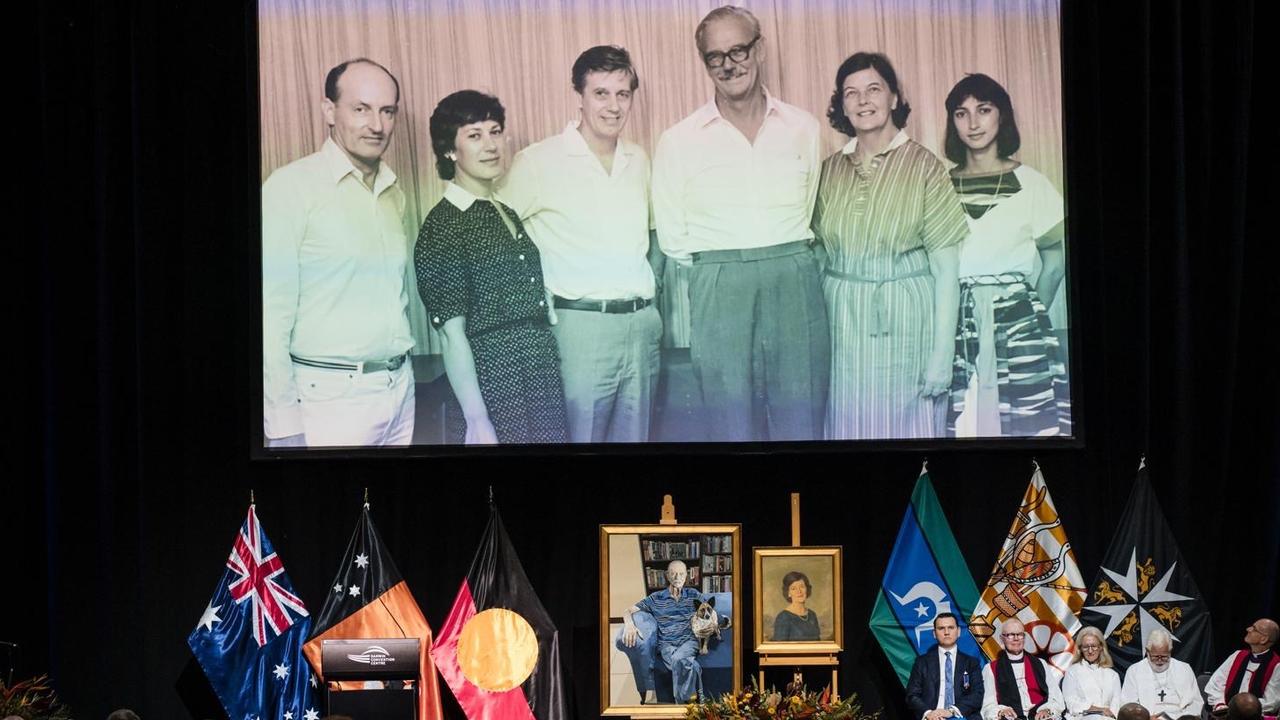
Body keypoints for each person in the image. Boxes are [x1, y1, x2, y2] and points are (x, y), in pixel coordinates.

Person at [652, 5, 829, 442]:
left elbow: (811, 209)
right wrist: (725, 270)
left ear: (760, 49)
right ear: (705, 64)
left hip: (793, 276)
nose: (729, 64)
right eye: (716, 57)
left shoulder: (802, 127)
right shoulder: (679, 139)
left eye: (739, 50)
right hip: (718, 281)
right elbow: (673, 234)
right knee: (730, 426)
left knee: (801, 419)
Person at [500, 45, 662, 443]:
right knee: (579, 452)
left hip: (642, 326)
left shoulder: (639, 159)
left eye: (622, 94)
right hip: (579, 328)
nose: (613, 106)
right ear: (580, 97)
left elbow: (654, 236)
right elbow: (495, 236)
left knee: (636, 453)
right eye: (601, 93)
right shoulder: (538, 161)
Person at [812, 52, 968, 439]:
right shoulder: (828, 170)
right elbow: (817, 254)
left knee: (905, 433)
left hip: (907, 323)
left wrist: (941, 357)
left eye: (874, 89)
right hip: (842, 326)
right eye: (851, 93)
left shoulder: (925, 166)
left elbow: (947, 270)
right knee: (849, 428)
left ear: (894, 98)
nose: (863, 100)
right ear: (842, 106)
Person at [262, 58, 417, 447]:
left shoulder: (393, 193)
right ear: (329, 111)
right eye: (361, 109)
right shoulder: (289, 189)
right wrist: (283, 424)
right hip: (328, 402)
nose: (377, 125)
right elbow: (268, 319)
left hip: (400, 391)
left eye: (387, 111)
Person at [414, 90, 568, 444]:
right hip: (494, 381)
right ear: (450, 150)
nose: (491, 145)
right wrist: (477, 419)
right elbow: (452, 336)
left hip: (537, 371)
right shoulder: (444, 226)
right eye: (474, 135)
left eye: (495, 131)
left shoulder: (504, 210)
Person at [941, 73, 1069, 437]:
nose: (973, 123)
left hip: (1018, 321)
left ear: (1002, 116)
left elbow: (1055, 263)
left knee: (1022, 421)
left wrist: (1025, 312)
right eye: (961, 113)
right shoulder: (939, 185)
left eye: (983, 110)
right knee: (963, 421)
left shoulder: (1033, 183)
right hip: (956, 317)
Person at [621, 560, 706, 703]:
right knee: (688, 663)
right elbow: (628, 611)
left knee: (679, 659)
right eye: (673, 573)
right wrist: (629, 625)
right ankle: (696, 694)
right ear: (667, 575)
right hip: (666, 644)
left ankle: (681, 705)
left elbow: (709, 611)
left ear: (687, 575)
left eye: (681, 574)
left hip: (689, 641)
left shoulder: (694, 595)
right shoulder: (656, 598)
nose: (677, 577)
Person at [980, 618, 1065, 720]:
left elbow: (1055, 697)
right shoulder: (990, 668)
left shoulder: (1040, 664)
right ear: (1002, 638)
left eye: (1020, 634)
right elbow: (987, 705)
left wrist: (1046, 710)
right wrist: (1001, 711)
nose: (1016, 639)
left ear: (1024, 637)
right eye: (1010, 635)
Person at [906, 612, 985, 720]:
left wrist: (951, 711)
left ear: (958, 631)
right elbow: (912, 695)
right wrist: (929, 713)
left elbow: (977, 694)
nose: (946, 632)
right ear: (934, 633)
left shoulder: (972, 663)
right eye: (941, 628)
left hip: (962, 716)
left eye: (951, 628)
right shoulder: (922, 662)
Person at [1120, 628, 1203, 720]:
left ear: (1170, 651)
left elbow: (1196, 703)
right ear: (1148, 651)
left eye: (1164, 657)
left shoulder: (1184, 669)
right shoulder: (1134, 671)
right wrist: (1146, 718)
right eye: (1155, 656)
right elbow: (1128, 707)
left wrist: (1182, 718)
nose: (1159, 661)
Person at [1205, 618, 1279, 715]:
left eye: (1254, 628)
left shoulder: (1276, 665)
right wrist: (1220, 705)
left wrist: (1241, 709)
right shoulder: (1238, 655)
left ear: (1263, 639)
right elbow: (1216, 684)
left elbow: (1271, 702)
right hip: (1225, 714)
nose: (1248, 629)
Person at [1062, 626, 1122, 720]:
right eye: (1086, 647)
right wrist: (1099, 710)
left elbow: (1116, 704)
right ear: (1080, 649)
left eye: (1093, 646)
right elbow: (1071, 703)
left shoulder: (1113, 675)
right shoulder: (1072, 671)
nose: (1090, 651)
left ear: (1101, 647)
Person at [772, 571, 821, 641]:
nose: (799, 591)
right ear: (788, 593)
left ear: (807, 589)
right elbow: (780, 648)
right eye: (793, 588)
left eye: (802, 587)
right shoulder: (783, 618)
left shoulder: (812, 615)